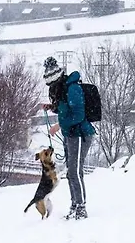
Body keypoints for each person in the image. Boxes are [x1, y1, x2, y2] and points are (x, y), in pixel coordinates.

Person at [42, 56, 96, 220]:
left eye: (51, 83)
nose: (51, 87)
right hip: (70, 134)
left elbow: (78, 115)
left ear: (56, 77)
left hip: (81, 134)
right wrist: (53, 108)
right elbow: (66, 109)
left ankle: (81, 207)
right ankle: (74, 205)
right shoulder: (62, 89)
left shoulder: (72, 88)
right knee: (71, 172)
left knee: (74, 172)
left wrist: (60, 124)